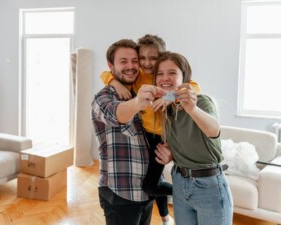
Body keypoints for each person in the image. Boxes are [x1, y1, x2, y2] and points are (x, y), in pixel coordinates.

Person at [100, 34, 201, 225]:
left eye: (153, 58)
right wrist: (114, 82)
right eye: (143, 58)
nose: (147, 63)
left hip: (163, 136)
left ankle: (188, 192)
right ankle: (165, 216)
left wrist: (169, 97)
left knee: (151, 184)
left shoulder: (164, 77)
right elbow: (105, 74)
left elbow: (194, 87)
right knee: (153, 179)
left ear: (162, 57)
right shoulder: (137, 78)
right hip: (146, 134)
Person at [91, 39, 172, 225]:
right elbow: (114, 114)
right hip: (120, 194)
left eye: (134, 61)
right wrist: (137, 103)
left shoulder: (141, 90)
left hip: (146, 193)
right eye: (123, 61)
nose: (131, 66)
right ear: (111, 66)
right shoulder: (103, 97)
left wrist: (169, 154)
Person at [152, 51, 233, 225]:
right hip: (180, 183)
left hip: (209, 186)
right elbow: (184, 142)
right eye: (160, 73)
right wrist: (172, 155)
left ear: (184, 77)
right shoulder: (166, 110)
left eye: (172, 73)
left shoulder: (201, 102)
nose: (165, 78)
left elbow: (214, 131)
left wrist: (191, 109)